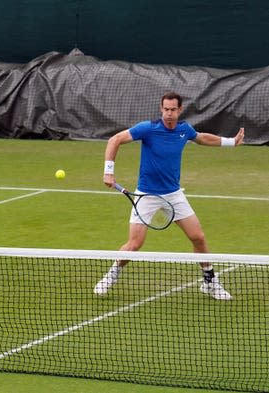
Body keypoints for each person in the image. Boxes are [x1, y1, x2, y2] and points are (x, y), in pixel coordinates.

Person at [94, 92, 245, 300]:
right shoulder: (148, 129)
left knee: (198, 237)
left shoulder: (184, 130)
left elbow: (201, 138)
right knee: (134, 245)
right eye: (165, 109)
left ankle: (209, 282)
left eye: (173, 110)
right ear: (161, 109)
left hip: (174, 195)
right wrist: (108, 170)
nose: (169, 114)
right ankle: (112, 274)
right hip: (146, 195)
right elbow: (115, 139)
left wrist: (231, 142)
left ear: (180, 110)